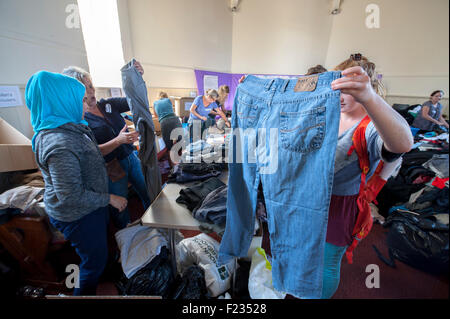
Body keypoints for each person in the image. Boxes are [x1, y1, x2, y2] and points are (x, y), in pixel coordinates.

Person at [25, 71, 128, 295]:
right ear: (61, 100)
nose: (86, 104)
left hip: (91, 205)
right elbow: (71, 196)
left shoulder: (72, 127)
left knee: (100, 250)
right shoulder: (58, 143)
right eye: (81, 99)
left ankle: (107, 275)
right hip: (78, 213)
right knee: (92, 262)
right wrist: (109, 197)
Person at [321, 54, 413, 298]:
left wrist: (370, 98)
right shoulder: (331, 116)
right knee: (310, 255)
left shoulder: (370, 127)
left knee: (328, 262)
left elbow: (403, 143)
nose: (339, 96)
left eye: (348, 90)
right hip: (314, 199)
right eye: (337, 88)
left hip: (342, 205)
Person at [62, 62, 150, 230]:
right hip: (112, 166)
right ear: (75, 91)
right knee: (121, 204)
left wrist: (138, 79)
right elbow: (92, 152)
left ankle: (153, 223)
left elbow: (137, 100)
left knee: (147, 190)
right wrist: (118, 140)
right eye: (86, 88)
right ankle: (127, 235)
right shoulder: (78, 120)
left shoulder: (108, 104)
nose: (92, 90)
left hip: (130, 156)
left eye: (91, 85)